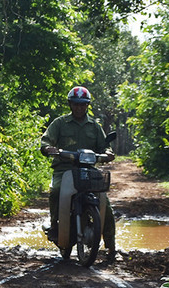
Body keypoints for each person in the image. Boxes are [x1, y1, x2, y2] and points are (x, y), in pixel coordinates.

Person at [39, 85, 117, 262]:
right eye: (76, 104)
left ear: (88, 105)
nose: (79, 108)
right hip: (64, 169)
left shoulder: (94, 126)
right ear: (70, 104)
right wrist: (48, 148)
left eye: (83, 105)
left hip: (89, 170)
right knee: (56, 191)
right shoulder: (60, 123)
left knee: (106, 205)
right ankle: (54, 226)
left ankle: (111, 248)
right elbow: (46, 140)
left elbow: (104, 146)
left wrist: (107, 153)